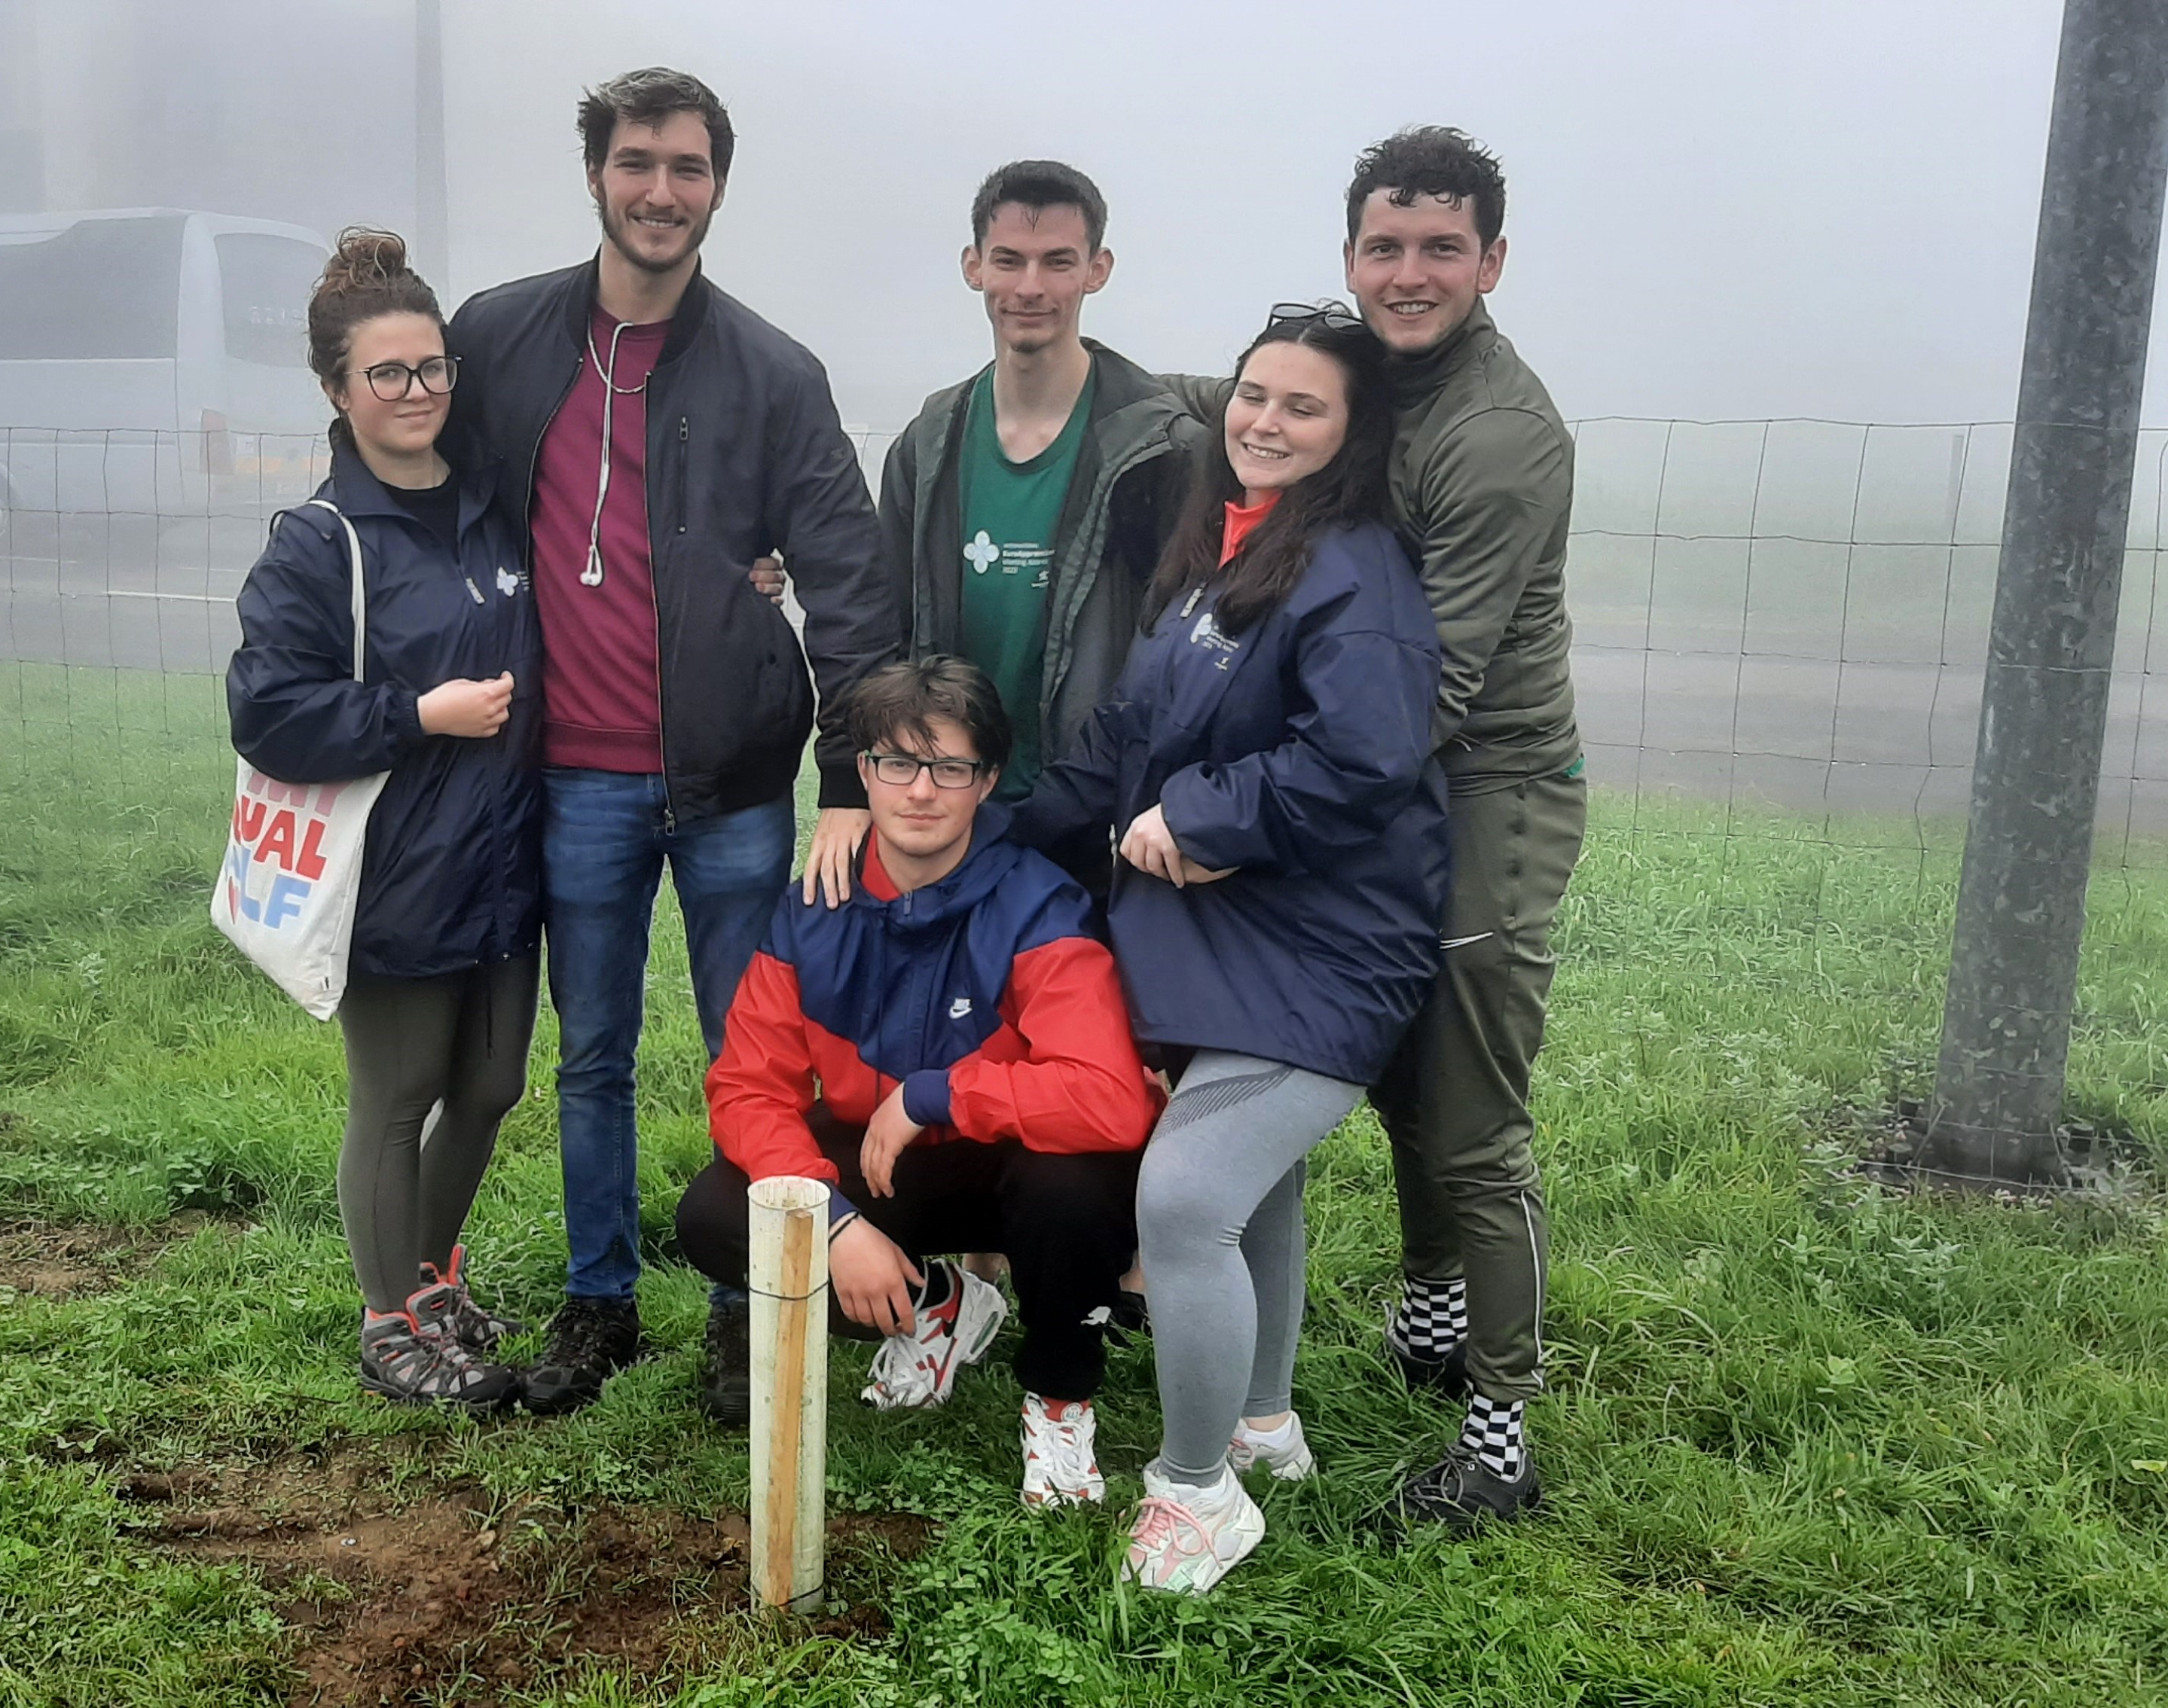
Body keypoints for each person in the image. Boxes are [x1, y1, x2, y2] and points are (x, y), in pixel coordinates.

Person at [440, 68, 900, 1413]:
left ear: (716, 187)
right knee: (587, 1053)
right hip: (565, 776)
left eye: (687, 167)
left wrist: (843, 781)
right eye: (637, 161)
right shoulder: (502, 337)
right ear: (597, 175)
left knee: (746, 1053)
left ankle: (737, 1303)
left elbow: (852, 585)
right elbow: (432, 503)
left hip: (735, 787)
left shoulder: (773, 372)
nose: (660, 190)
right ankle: (598, 1303)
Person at [1015, 305, 1447, 1592]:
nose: (1263, 419)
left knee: (1188, 1197)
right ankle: (1263, 1419)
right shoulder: (1226, 555)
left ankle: (1196, 1492)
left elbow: (1366, 756)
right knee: (1257, 1187)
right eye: (1252, 395)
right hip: (1223, 931)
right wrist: (995, 831)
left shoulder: (1355, 570)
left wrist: (1200, 815)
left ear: (1353, 434)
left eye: (1301, 405)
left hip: (1322, 945)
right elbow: (1124, 738)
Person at [674, 657, 1159, 1507]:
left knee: (1075, 1186)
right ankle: (936, 1303)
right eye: (897, 763)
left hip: (1009, 1161)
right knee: (719, 1212)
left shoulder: (1041, 904)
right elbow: (748, 1088)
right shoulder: (813, 909)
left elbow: (1111, 1099)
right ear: (864, 773)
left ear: (989, 781)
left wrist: (939, 1093)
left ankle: (1058, 1399)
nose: (921, 791)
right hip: (882, 1165)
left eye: (951, 768)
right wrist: (831, 1222)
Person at [228, 228, 540, 1411]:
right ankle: (385, 1324)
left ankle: (431, 1280)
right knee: (399, 1091)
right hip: (394, 871)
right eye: (387, 375)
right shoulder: (321, 544)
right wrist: (419, 713)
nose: (416, 394)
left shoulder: (492, 511)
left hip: (509, 860)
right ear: (335, 390)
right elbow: (267, 711)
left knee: (494, 1084)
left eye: (432, 370)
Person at [1343, 127, 1583, 1529]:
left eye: (1442, 248)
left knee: (1473, 1116)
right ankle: (1433, 1319)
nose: (1411, 272)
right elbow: (1242, 397)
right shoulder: (1367, 369)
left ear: (1491, 260)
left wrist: (1259, 802)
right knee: (1396, 1068)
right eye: (1388, 245)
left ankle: (1499, 1435)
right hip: (1394, 770)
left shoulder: (1497, 433)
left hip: (1486, 782)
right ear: (1354, 255)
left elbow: (1433, 684)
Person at [794, 161, 1202, 903]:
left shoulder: (1159, 449)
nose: (1030, 288)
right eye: (1008, 260)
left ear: (1098, 271)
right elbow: (878, 628)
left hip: (1092, 820)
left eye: (1058, 263)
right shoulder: (930, 442)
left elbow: (1179, 649)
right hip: (946, 801)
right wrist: (853, 780)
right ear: (973, 266)